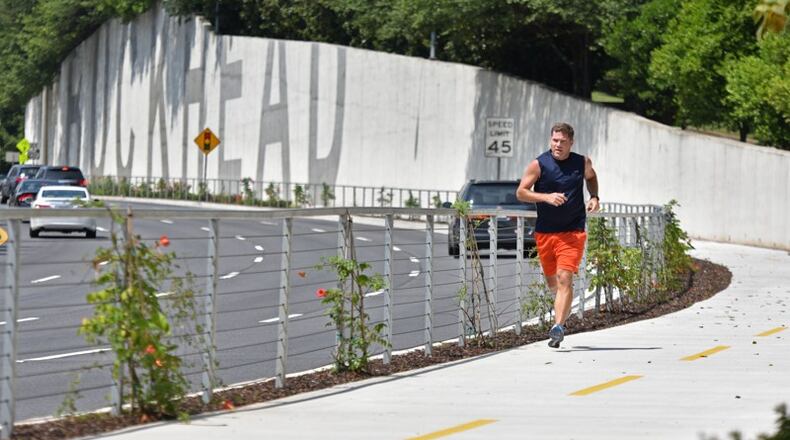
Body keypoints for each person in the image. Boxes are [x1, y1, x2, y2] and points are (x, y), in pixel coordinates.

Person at [516, 122, 599, 348]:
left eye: (562, 141)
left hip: (573, 231)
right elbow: (521, 192)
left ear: (571, 142)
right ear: (550, 140)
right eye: (555, 140)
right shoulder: (539, 164)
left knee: (565, 278)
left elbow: (591, 177)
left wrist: (594, 197)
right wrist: (546, 197)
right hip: (545, 233)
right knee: (554, 283)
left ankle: (558, 327)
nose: (558, 145)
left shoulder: (581, 162)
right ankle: (564, 307)